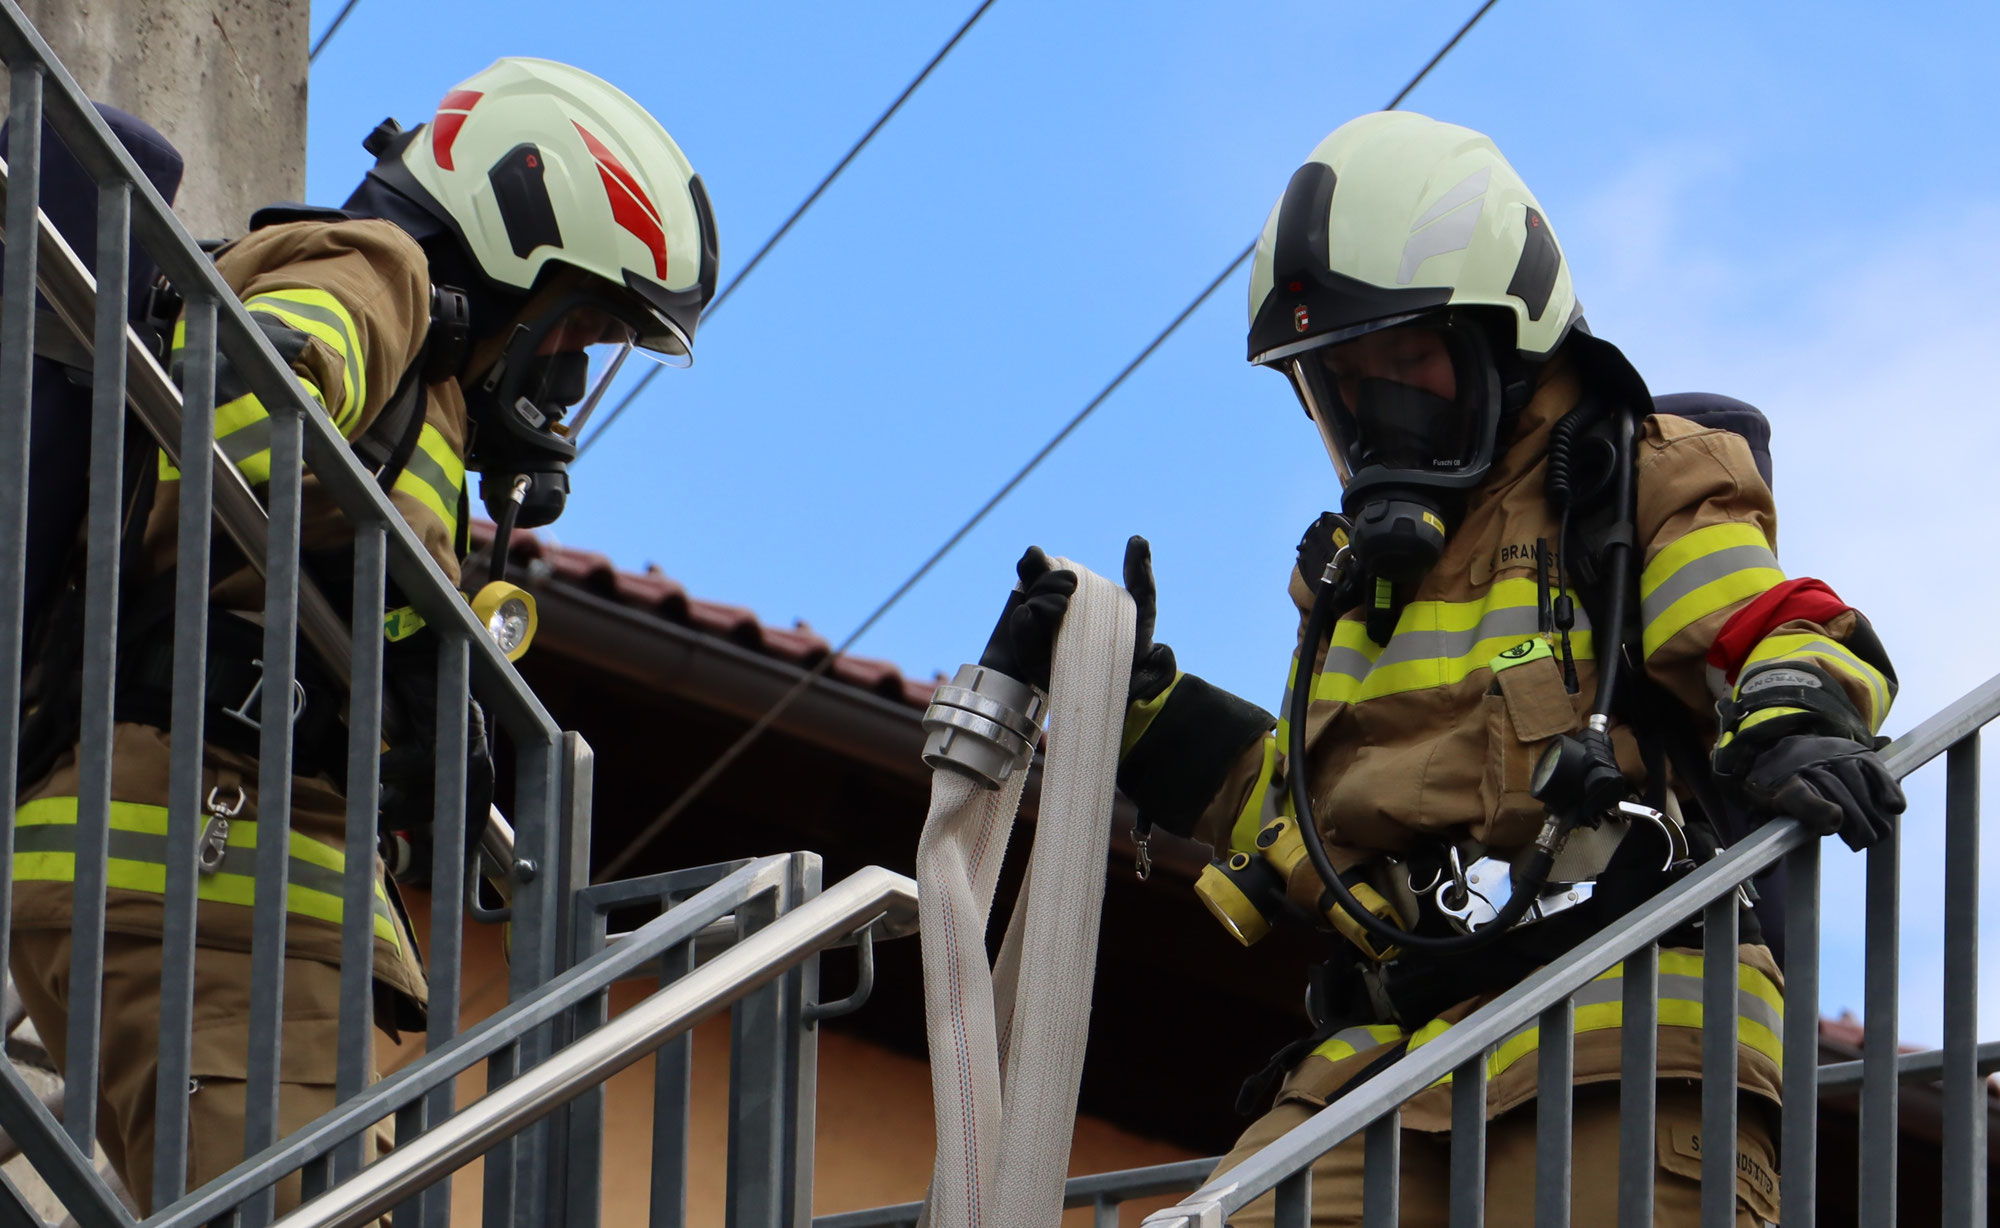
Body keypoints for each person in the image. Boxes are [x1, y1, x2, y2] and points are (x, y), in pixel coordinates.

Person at [978, 112, 1902, 1225]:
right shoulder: (1358, 590)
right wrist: (1135, 712)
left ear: (1504, 338)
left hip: (1624, 1027)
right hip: (1385, 1058)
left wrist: (1793, 707)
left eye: (1405, 357)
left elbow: (1779, 627)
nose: (1379, 407)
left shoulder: (1632, 481)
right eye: (1342, 378)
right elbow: (1311, 825)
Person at [9, 57, 717, 1214]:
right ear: (508, 236)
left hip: (255, 921)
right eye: (582, 321)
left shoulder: (427, 393)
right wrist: (416, 639)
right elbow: (246, 395)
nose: (573, 371)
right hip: (202, 894)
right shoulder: (369, 266)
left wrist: (415, 646)